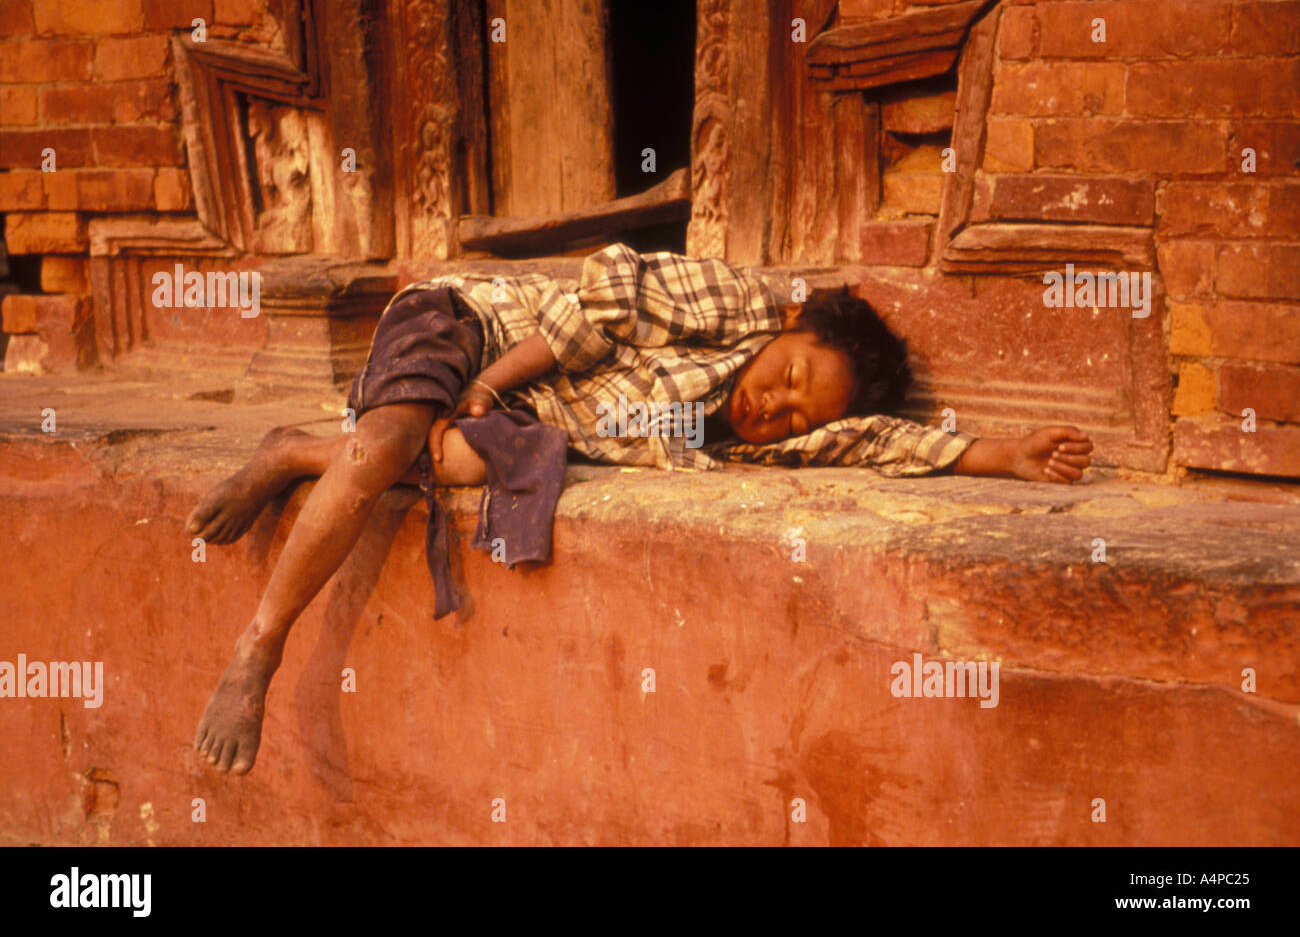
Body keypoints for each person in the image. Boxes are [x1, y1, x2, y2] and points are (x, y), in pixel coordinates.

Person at [188, 243, 1093, 774]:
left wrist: (1007, 457)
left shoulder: (775, 434)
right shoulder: (732, 302)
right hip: (474, 326)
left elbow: (883, 444)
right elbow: (599, 300)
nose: (773, 406)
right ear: (790, 331)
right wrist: (485, 386)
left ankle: (293, 451)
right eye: (789, 378)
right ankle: (258, 650)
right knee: (395, 448)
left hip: (516, 421)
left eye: (796, 413)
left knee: (459, 465)